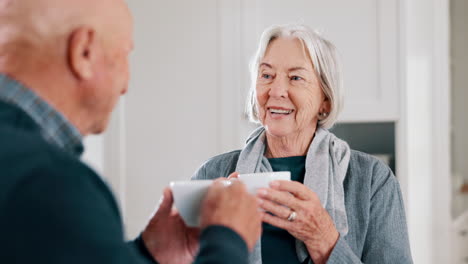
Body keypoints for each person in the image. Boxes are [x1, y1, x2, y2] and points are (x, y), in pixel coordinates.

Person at [0, 0, 262, 263]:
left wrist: (147, 252)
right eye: (124, 55)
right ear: (84, 52)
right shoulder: (50, 183)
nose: (126, 84)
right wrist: (228, 238)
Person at [192, 24, 413, 264]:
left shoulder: (372, 181)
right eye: (266, 75)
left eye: (295, 78)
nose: (276, 91)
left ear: (325, 101)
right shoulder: (212, 174)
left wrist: (323, 238)